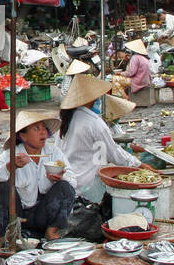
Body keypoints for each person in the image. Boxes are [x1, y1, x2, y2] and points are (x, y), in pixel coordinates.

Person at [57, 74, 144, 217]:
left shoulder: (66, 118)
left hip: (68, 182)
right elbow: (114, 153)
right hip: (85, 187)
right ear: (91, 98)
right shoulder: (94, 122)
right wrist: (139, 165)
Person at [0, 108, 76, 241]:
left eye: (44, 128)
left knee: (65, 187)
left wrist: (60, 177)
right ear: (23, 136)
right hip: (18, 214)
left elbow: (73, 180)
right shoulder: (12, 154)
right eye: (36, 128)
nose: (43, 132)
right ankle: (5, 236)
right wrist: (10, 167)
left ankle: (51, 231)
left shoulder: (53, 152)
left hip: (44, 213)